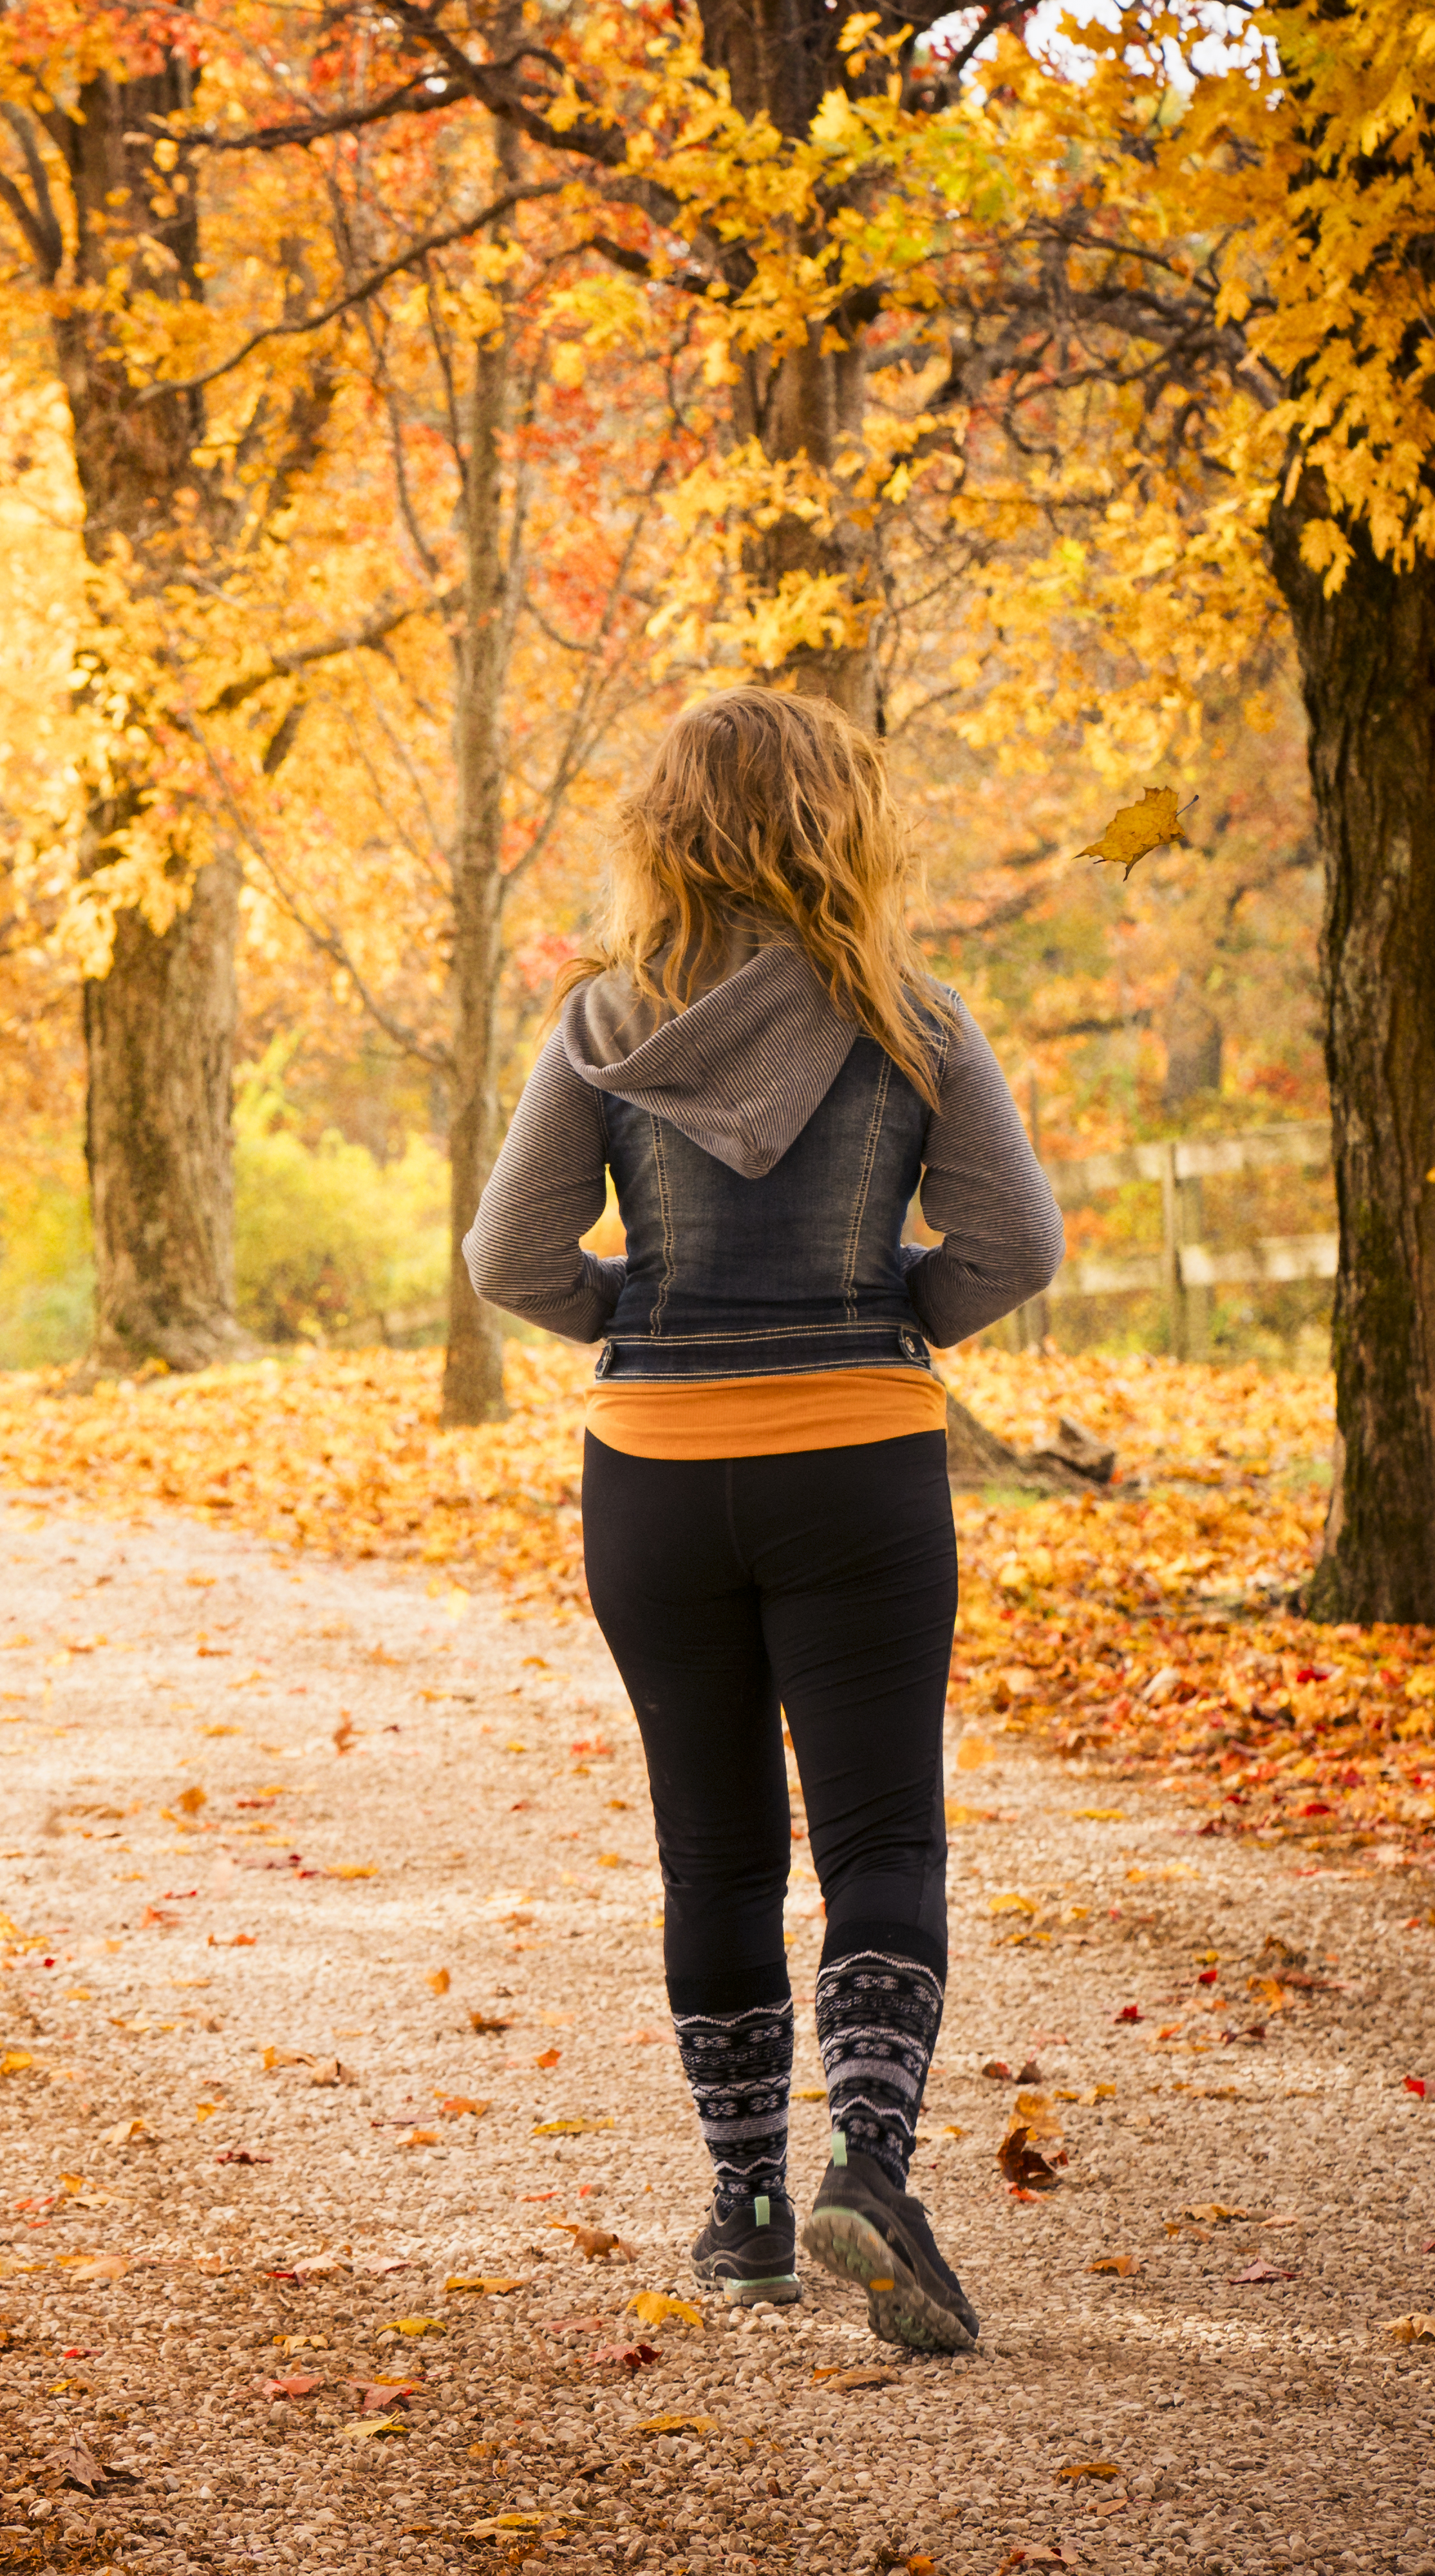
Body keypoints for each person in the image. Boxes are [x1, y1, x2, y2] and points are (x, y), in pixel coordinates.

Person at [462, 685, 1062, 2355]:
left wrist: (641, 1329)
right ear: (842, 829)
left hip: (651, 1477)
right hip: (857, 1465)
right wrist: (894, 1315)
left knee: (713, 1843)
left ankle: (742, 2214)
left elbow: (509, 1260)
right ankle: (869, 2170)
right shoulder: (914, 1020)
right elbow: (1018, 1242)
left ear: (666, 837)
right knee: (881, 1837)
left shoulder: (601, 1029)